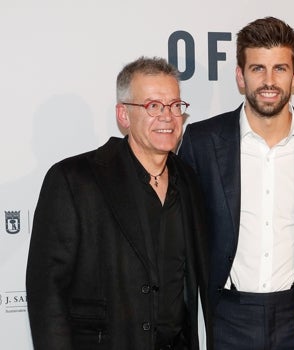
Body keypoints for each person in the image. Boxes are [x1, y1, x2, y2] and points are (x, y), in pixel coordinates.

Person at [26, 57, 210, 350]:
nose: (168, 117)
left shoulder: (188, 179)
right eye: (153, 106)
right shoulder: (74, 179)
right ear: (123, 115)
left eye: (175, 106)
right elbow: (47, 292)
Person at [179, 17, 294, 349]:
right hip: (227, 315)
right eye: (258, 69)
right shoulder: (202, 141)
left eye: (280, 69)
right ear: (240, 76)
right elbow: (179, 234)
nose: (269, 81)